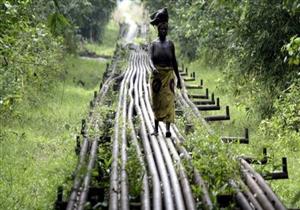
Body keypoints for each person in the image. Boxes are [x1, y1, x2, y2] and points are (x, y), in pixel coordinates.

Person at [149, 8, 182, 138]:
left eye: (165, 29)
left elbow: (174, 61)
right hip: (157, 76)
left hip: (169, 75)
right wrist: (153, 68)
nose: (163, 31)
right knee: (157, 101)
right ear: (158, 30)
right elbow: (150, 60)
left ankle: (168, 129)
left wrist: (179, 78)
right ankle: (156, 128)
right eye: (161, 29)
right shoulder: (153, 44)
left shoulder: (170, 44)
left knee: (169, 100)